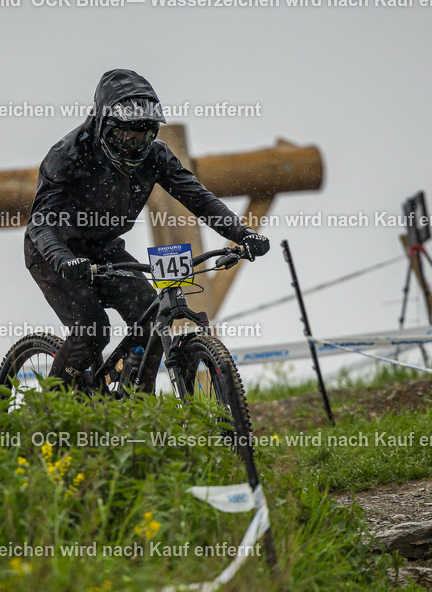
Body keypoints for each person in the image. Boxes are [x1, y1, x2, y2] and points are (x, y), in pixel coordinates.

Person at [24, 69, 270, 390]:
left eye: (141, 137)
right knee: (93, 330)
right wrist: (63, 259)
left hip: (104, 250)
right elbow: (41, 222)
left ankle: (138, 401)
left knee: (152, 318)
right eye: (124, 136)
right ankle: (47, 405)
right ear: (102, 125)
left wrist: (243, 234)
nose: (132, 147)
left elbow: (200, 200)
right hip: (53, 252)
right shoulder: (68, 156)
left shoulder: (155, 156)